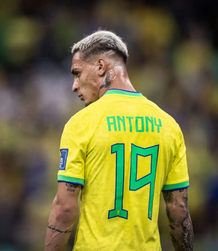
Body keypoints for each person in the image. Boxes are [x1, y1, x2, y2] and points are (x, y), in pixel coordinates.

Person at [45, 30, 194, 251]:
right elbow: (178, 210)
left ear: (100, 66)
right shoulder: (169, 126)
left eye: (77, 73)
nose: (74, 86)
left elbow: (64, 208)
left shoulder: (82, 123)